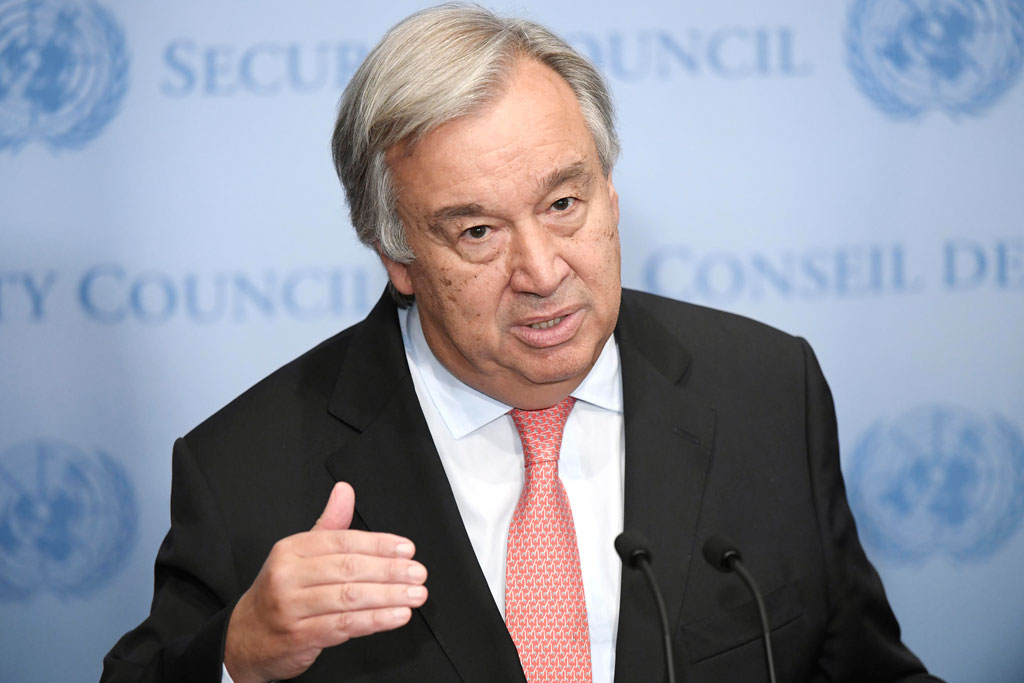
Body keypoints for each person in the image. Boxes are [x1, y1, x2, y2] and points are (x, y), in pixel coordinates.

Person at [103, 5, 942, 682]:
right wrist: (235, 658)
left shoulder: (764, 391)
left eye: (564, 204)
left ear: (609, 192)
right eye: (475, 230)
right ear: (399, 257)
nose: (541, 270)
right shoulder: (246, 469)